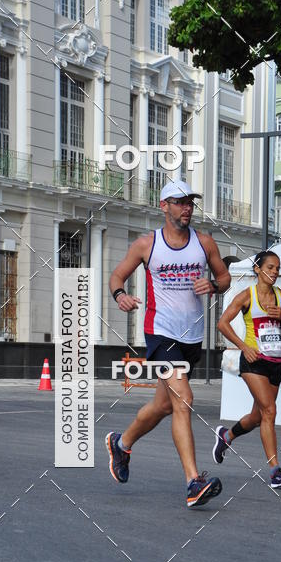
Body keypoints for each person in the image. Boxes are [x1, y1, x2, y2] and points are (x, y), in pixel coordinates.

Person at [105, 180, 231, 508]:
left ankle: (122, 443)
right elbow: (116, 276)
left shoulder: (204, 243)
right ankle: (193, 482)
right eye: (179, 202)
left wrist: (214, 284)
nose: (186, 207)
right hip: (160, 334)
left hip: (192, 338)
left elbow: (224, 277)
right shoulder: (147, 245)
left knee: (164, 406)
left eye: (190, 201)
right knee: (184, 400)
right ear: (164, 206)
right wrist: (121, 296)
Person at [214, 250, 281, 488]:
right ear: (257, 269)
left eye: (277, 268)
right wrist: (243, 347)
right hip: (253, 360)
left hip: (277, 362)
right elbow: (222, 323)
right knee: (270, 411)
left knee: (256, 417)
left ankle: (227, 436)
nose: (275, 272)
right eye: (270, 267)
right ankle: (275, 471)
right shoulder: (246, 296)